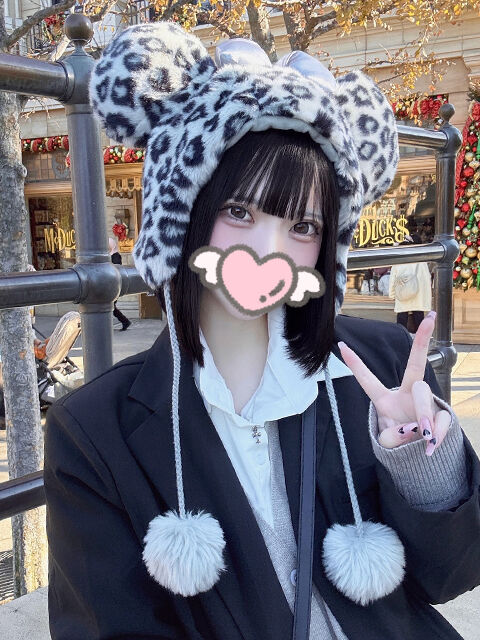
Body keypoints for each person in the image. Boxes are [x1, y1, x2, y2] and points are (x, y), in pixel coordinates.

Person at [44, 23, 480, 640]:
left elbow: (452, 577)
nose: (269, 252)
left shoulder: (380, 365)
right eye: (239, 211)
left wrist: (422, 467)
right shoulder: (95, 431)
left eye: (303, 226)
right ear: (182, 213)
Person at [389, 236, 432, 334]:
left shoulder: (398, 260)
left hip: (402, 292)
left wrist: (392, 294)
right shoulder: (421, 259)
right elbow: (426, 278)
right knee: (418, 316)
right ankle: (419, 339)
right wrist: (426, 295)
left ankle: (401, 338)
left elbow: (393, 278)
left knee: (402, 317)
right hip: (418, 294)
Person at [109, 237, 131, 331]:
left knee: (111, 306)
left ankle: (125, 321)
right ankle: (125, 321)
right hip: (111, 284)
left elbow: (117, 269)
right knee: (110, 306)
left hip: (115, 285)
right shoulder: (110, 255)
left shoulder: (116, 256)